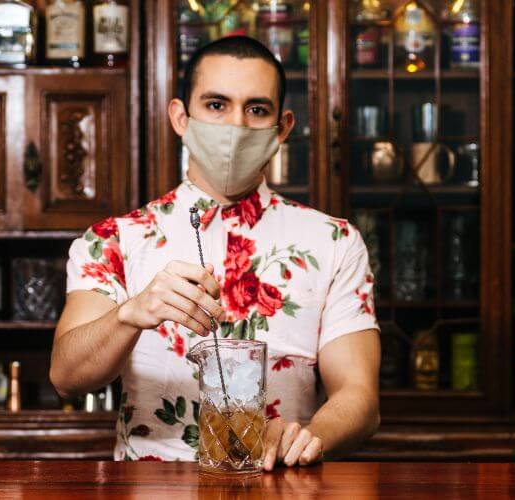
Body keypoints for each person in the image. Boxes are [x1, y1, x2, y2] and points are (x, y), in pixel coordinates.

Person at [50, 36, 380, 468]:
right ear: (181, 118)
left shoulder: (333, 241)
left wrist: (308, 436)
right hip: (151, 492)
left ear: (282, 128)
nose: (235, 126)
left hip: (278, 486)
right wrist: (129, 313)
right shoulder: (114, 239)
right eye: (216, 105)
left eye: (256, 109)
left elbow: (359, 397)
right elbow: (66, 377)